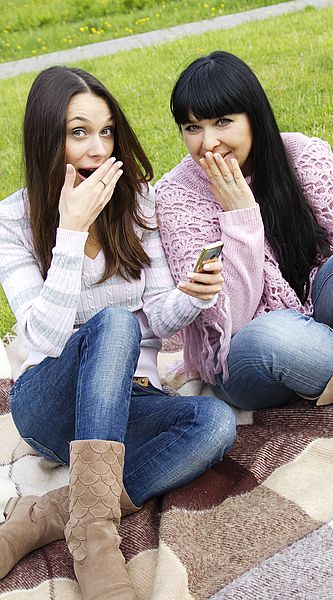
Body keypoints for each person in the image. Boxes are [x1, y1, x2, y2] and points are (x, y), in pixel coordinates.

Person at [0, 66, 236, 599]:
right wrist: (70, 233)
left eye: (106, 131)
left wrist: (193, 295)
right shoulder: (10, 221)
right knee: (110, 324)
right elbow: (42, 338)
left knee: (214, 423)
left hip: (126, 401)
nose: (96, 147)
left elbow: (152, 321)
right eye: (78, 131)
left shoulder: (136, 202)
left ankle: (51, 516)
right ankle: (97, 542)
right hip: (48, 404)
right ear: (46, 137)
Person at [155, 50, 333, 412]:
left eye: (222, 122)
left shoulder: (304, 156)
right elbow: (228, 322)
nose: (207, 143)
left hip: (325, 316)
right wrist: (240, 217)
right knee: (274, 334)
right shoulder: (177, 196)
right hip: (247, 357)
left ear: (254, 118)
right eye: (193, 128)